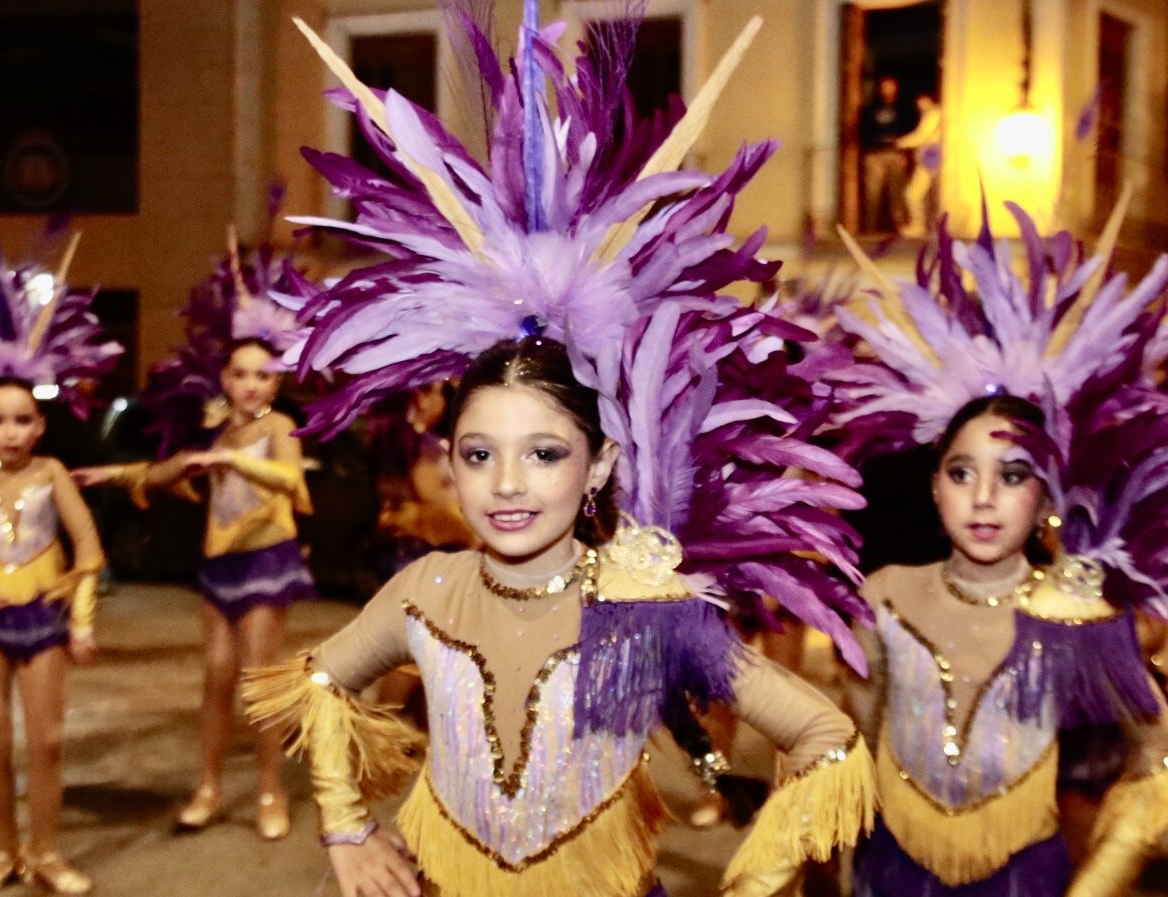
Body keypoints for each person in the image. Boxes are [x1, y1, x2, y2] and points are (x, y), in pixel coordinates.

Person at [243, 10, 880, 897]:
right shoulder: (424, 590)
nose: (506, 483)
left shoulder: (653, 611)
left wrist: (758, 875)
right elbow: (317, 681)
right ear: (452, 459)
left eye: (544, 452)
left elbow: (827, 734)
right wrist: (347, 827)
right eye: (478, 453)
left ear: (603, 462)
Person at [828, 199, 1168, 895]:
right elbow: (857, 742)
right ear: (935, 484)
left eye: (1013, 476)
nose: (983, 496)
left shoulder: (1080, 618)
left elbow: (1154, 757)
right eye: (961, 472)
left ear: (1045, 497)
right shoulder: (884, 594)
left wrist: (1096, 880)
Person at [73, 230, 315, 841]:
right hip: (219, 567)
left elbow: (286, 480)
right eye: (240, 374)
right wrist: (120, 472)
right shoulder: (214, 428)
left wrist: (233, 464)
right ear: (224, 378)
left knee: (260, 677)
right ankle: (207, 786)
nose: (251, 385)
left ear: (276, 382)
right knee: (215, 675)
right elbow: (169, 470)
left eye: (263, 375)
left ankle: (266, 790)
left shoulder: (280, 424)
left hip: (266, 560)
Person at [0, 253, 120, 896]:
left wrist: (79, 620)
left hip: (41, 619)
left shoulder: (50, 475)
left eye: (22, 420)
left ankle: (45, 853)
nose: (10, 431)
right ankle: (4, 852)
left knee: (45, 744)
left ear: (40, 424)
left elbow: (90, 549)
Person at [861, 76, 912, 234]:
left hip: (895, 153)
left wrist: (902, 149)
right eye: (884, 87)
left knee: (897, 191)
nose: (887, 90)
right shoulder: (870, 109)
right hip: (875, 154)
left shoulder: (902, 109)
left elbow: (908, 129)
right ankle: (869, 227)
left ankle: (899, 225)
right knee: (872, 192)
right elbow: (863, 130)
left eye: (890, 87)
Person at [896, 95, 941, 238]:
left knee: (913, 194)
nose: (918, 105)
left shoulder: (933, 115)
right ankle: (926, 224)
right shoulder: (932, 115)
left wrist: (901, 142)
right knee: (926, 195)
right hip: (930, 158)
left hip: (931, 158)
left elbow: (922, 136)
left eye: (920, 101)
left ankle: (918, 225)